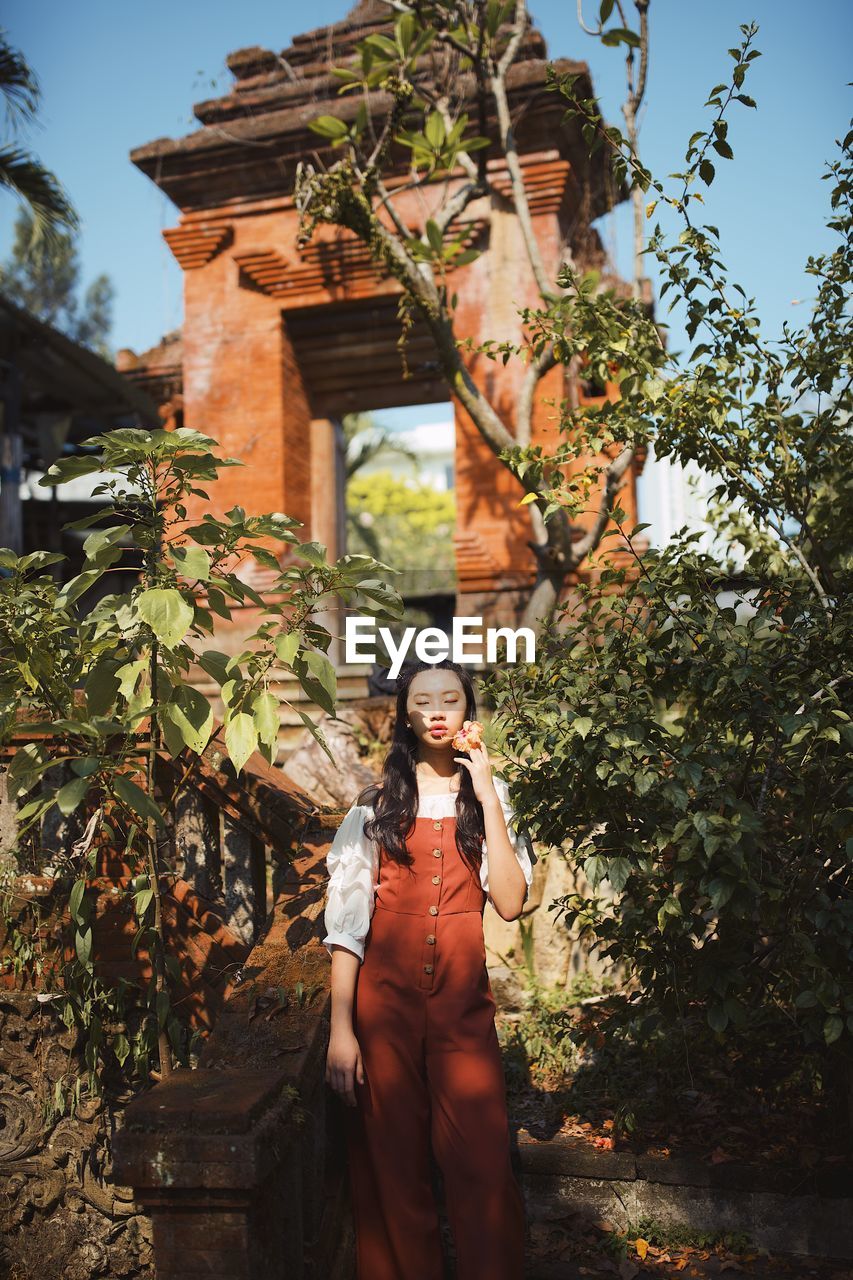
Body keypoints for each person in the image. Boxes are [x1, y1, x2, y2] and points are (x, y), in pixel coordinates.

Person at [323, 657, 532, 1280]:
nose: (438, 710)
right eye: (424, 701)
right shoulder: (375, 808)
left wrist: (488, 788)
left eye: (451, 699)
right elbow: (347, 929)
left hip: (463, 1014)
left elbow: (513, 901)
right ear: (406, 717)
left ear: (468, 711)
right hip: (382, 1013)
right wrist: (342, 1030)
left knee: (483, 1163)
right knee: (391, 1166)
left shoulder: (488, 802)